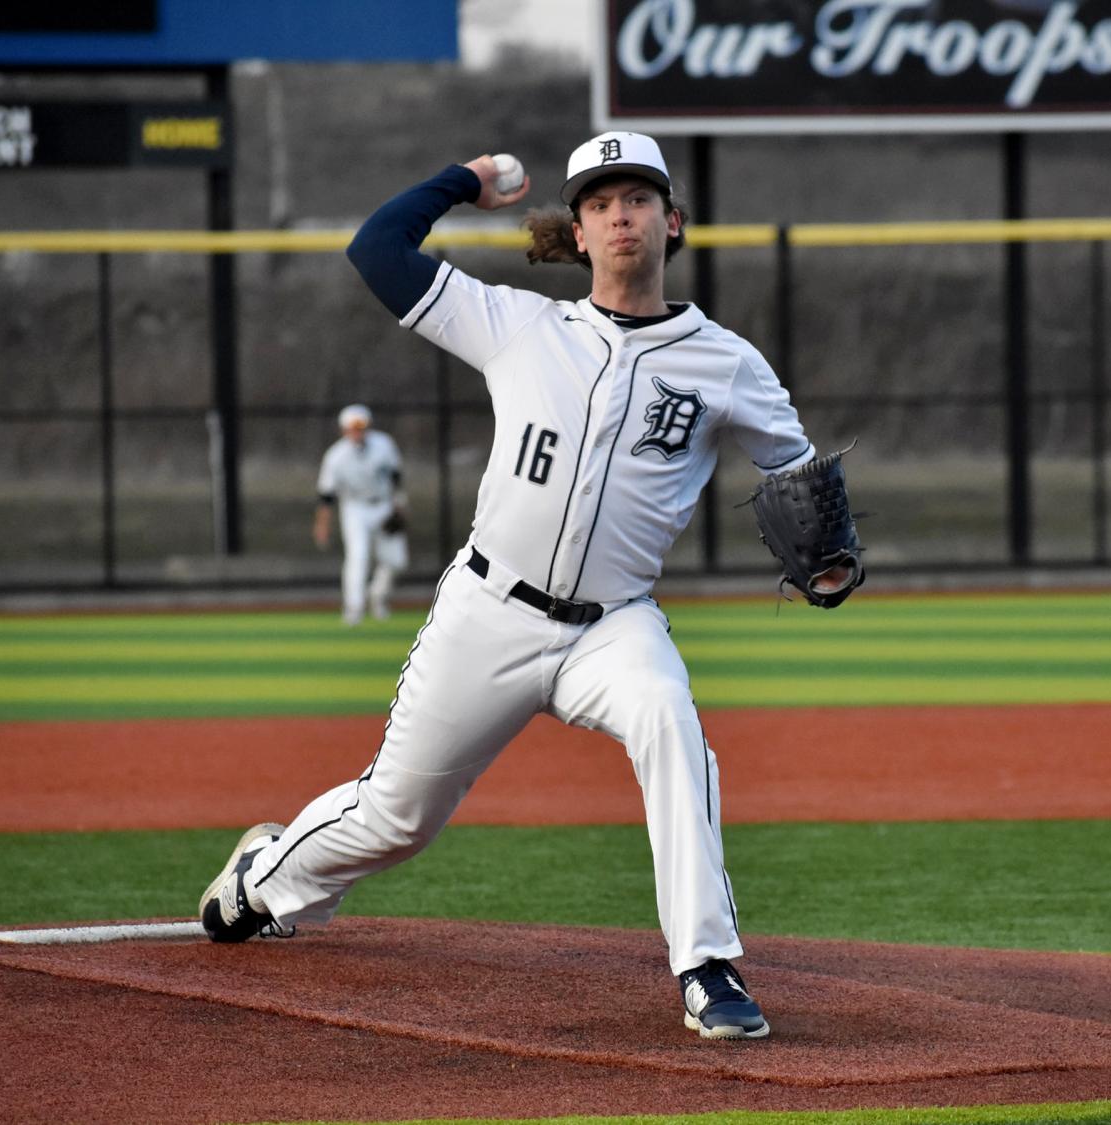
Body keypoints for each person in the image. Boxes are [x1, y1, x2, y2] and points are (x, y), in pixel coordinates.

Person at [200, 131, 857, 1040]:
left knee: (671, 720)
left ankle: (707, 965)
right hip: (488, 613)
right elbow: (376, 251)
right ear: (578, 233)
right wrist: (463, 182)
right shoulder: (518, 324)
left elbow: (797, 470)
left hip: (613, 627)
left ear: (672, 222)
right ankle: (265, 878)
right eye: (598, 202)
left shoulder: (727, 363)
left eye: (636, 198)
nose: (618, 214)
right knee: (396, 818)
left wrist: (823, 545)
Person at [312, 404, 408, 625]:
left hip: (384, 504)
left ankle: (377, 595)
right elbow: (326, 495)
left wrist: (400, 505)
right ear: (343, 430)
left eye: (361, 427)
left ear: (368, 427)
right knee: (358, 556)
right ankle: (354, 607)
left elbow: (396, 477)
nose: (357, 432)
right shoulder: (336, 456)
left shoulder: (384, 445)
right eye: (352, 428)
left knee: (396, 560)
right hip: (355, 508)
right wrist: (322, 525)